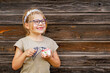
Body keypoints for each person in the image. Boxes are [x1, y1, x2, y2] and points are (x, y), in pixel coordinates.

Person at [12, 8, 61, 73]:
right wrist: (24, 54)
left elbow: (57, 64)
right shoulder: (22, 42)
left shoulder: (50, 42)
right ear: (27, 25)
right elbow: (15, 66)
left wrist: (49, 58)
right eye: (36, 21)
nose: (41, 24)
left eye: (42, 21)